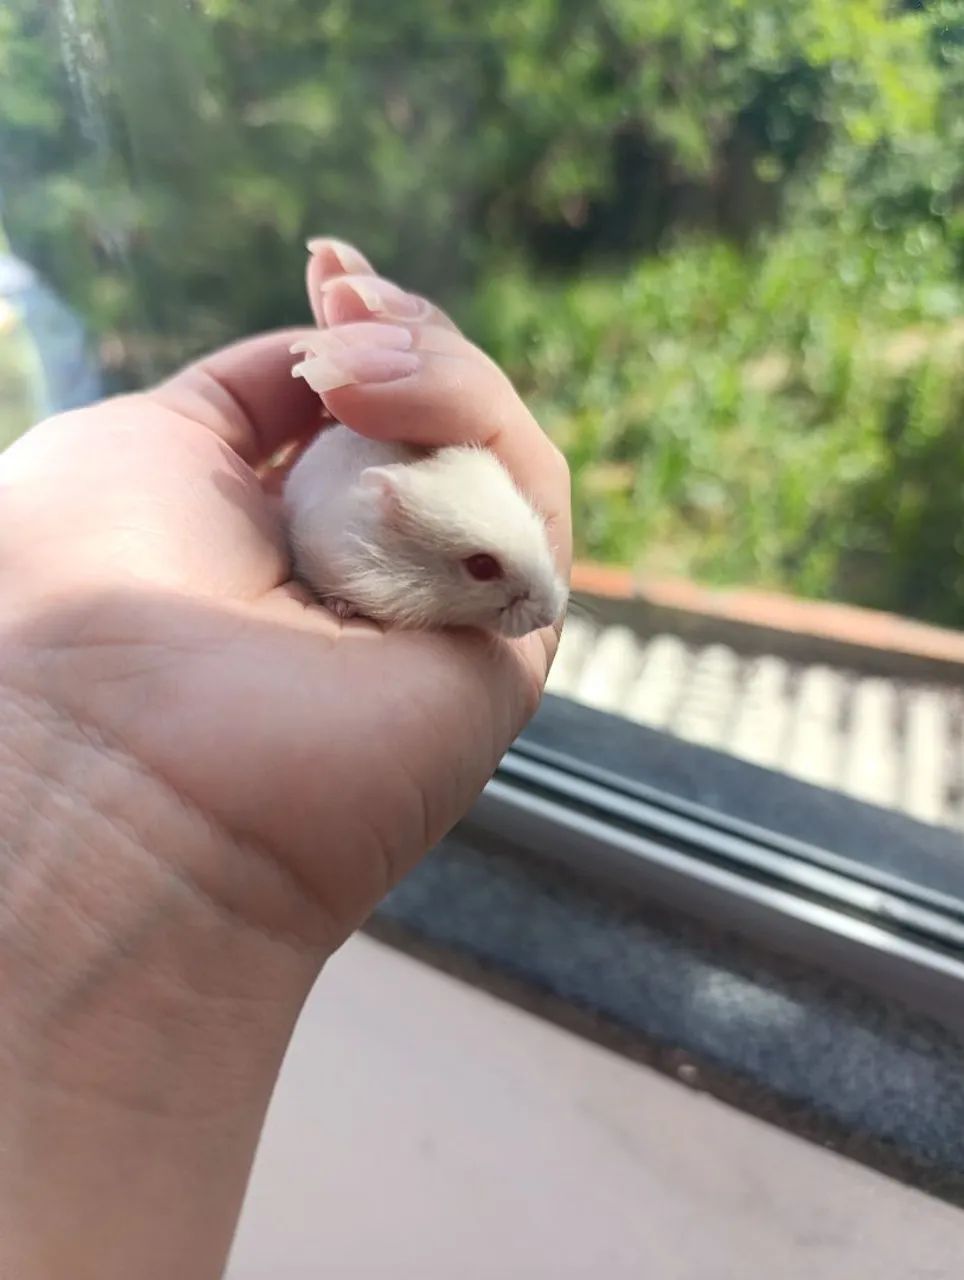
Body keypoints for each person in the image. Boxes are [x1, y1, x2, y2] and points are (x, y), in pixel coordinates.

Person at [0, 238, 571, 1279]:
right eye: (489, 567)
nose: (537, 604)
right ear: (400, 530)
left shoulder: (426, 541)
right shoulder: (362, 529)